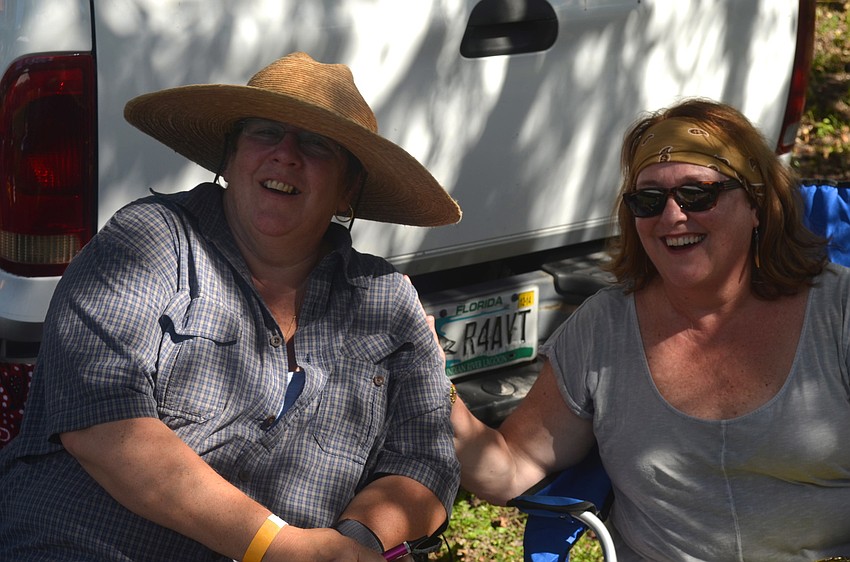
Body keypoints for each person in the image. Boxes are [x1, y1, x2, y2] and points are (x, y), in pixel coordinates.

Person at [0, 52, 461, 562]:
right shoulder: (149, 239)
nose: (285, 155)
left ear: (347, 189)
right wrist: (279, 547)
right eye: (266, 132)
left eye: (316, 144)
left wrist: (350, 546)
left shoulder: (386, 299)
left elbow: (427, 462)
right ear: (229, 156)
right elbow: (103, 423)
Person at [451, 98, 850, 560]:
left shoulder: (838, 312)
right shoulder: (604, 328)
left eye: (697, 193)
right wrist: (437, 391)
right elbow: (510, 467)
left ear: (756, 203)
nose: (672, 216)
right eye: (649, 200)